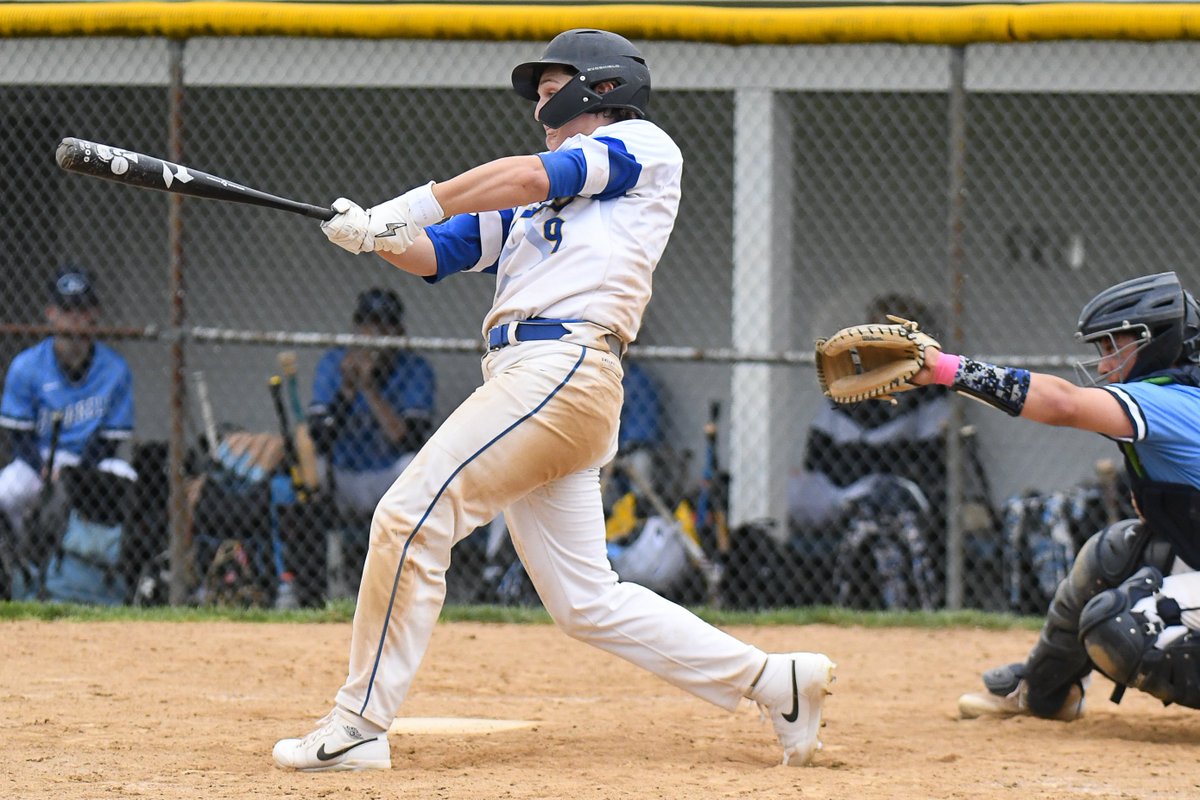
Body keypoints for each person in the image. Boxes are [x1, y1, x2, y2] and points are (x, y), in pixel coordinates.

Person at [272, 28, 834, 772]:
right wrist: (373, 235)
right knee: (584, 601)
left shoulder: (641, 146)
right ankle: (773, 681)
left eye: (551, 92)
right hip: (532, 380)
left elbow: (526, 177)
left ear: (602, 88)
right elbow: (439, 251)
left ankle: (358, 725)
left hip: (561, 368)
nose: (542, 109)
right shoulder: (542, 209)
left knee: (409, 517)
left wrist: (410, 203)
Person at [902, 271, 1200, 720]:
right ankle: (1047, 692)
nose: (1103, 365)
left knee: (1119, 625)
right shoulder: (1176, 395)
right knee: (1116, 554)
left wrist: (947, 369)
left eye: (1113, 347)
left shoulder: (1173, 401)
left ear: (1156, 340)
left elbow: (1063, 404)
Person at [0, 267, 136, 599]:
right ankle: (16, 567)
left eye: (81, 309)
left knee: (126, 477)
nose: (73, 318)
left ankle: (112, 577)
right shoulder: (27, 366)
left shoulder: (115, 369)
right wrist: (42, 467)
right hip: (39, 460)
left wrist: (77, 474)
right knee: (5, 491)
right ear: (50, 313)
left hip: (91, 463)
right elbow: (19, 436)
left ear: (95, 314)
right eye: (66, 309)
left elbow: (112, 441)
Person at [308, 287, 435, 518]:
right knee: (311, 468)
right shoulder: (334, 362)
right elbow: (320, 439)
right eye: (369, 324)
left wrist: (368, 388)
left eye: (386, 325)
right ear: (356, 329)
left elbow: (410, 441)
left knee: (413, 465)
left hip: (387, 479)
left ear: (399, 332)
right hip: (342, 476)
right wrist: (347, 389)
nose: (376, 333)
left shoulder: (415, 368)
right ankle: (318, 549)